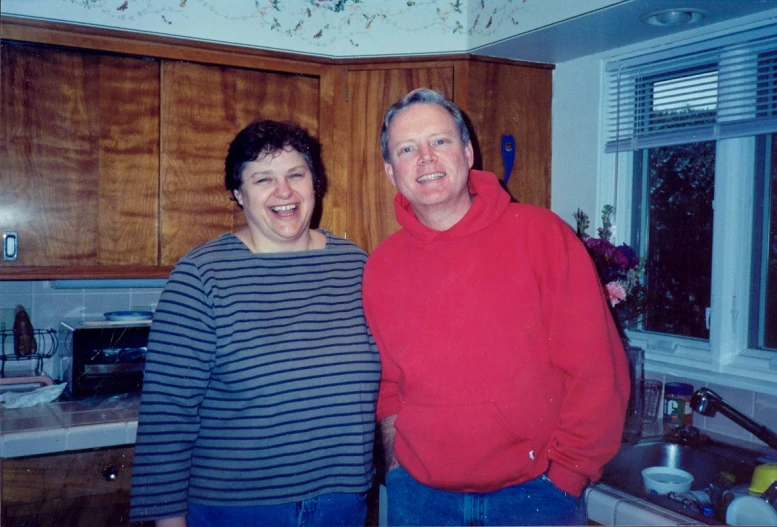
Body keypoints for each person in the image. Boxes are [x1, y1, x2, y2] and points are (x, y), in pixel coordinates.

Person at [361, 88, 630, 526]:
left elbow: (596, 368)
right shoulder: (382, 266)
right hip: (420, 500)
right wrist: (396, 467)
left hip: (535, 498)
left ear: (468, 153)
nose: (426, 158)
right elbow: (390, 385)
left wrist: (567, 476)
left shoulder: (541, 235)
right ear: (392, 172)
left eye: (440, 141)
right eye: (407, 149)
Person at [129, 120, 381, 527]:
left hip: (342, 505)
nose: (284, 192)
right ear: (238, 193)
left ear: (314, 183)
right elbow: (166, 418)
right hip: (237, 510)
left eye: (296, 175)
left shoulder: (355, 265)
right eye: (263, 179)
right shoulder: (201, 276)